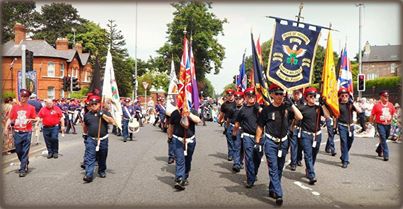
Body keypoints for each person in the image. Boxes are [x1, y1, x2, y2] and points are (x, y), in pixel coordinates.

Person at [255, 84, 303, 206]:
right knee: (273, 167)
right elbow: (260, 126)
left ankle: (272, 188)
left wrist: (291, 104)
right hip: (270, 142)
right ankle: (279, 193)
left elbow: (300, 117)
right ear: (271, 94)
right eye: (277, 93)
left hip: (283, 142)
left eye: (281, 93)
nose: (280, 96)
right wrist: (257, 141)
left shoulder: (287, 108)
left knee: (280, 168)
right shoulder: (266, 110)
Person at [298, 87, 330, 183]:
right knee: (308, 155)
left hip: (317, 135)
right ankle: (312, 175)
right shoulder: (302, 108)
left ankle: (309, 169)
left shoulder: (319, 108)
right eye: (310, 96)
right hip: (306, 135)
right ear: (306, 98)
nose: (313, 98)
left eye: (314, 96)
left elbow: (327, 116)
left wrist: (323, 105)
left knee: (313, 154)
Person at [4, 89, 38, 177]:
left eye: (25, 97)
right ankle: (25, 161)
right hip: (17, 132)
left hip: (27, 132)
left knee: (25, 151)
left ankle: (22, 169)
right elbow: (10, 118)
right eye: (22, 96)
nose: (23, 98)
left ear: (28, 98)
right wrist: (5, 128)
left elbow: (36, 118)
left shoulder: (31, 108)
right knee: (19, 150)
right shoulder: (15, 107)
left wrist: (31, 120)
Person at [233, 87, 262, 188]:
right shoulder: (242, 110)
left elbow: (265, 115)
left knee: (257, 158)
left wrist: (259, 107)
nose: (251, 97)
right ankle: (250, 179)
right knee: (249, 158)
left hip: (260, 137)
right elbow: (237, 123)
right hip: (247, 137)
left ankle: (253, 173)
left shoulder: (259, 108)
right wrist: (234, 133)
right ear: (245, 97)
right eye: (249, 96)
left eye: (253, 95)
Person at [82, 95, 115, 183]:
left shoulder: (105, 112)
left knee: (102, 156)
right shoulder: (87, 115)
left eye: (95, 104)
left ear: (99, 104)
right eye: (92, 104)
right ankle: (89, 174)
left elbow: (112, 122)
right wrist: (84, 133)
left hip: (103, 139)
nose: (93, 105)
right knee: (90, 157)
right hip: (91, 139)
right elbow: (85, 125)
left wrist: (103, 115)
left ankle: (102, 170)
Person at [167, 107, 201, 190]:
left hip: (190, 140)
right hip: (178, 139)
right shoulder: (175, 112)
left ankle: (185, 176)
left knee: (188, 159)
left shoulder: (192, 111)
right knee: (180, 159)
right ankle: (179, 179)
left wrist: (188, 113)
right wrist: (170, 137)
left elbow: (198, 120)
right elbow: (170, 126)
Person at [335, 88, 362, 168]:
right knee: (344, 142)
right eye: (342, 95)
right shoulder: (338, 105)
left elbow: (359, 111)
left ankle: (343, 155)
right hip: (341, 125)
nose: (344, 97)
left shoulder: (350, 104)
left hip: (350, 126)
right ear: (340, 96)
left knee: (350, 141)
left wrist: (353, 103)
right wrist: (334, 127)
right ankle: (345, 160)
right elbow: (335, 117)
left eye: (346, 95)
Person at [371, 90, 396, 161]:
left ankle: (379, 149)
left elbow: (393, 113)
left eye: (387, 96)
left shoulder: (391, 105)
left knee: (385, 138)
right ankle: (386, 155)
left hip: (388, 124)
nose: (387, 97)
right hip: (380, 124)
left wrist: (394, 120)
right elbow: (372, 115)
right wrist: (371, 122)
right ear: (381, 97)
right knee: (383, 137)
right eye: (385, 96)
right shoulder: (376, 105)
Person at [287, 89, 305, 171]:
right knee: (293, 145)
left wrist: (295, 108)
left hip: (302, 127)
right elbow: (289, 110)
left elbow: (303, 109)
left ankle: (299, 160)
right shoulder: (290, 101)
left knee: (300, 145)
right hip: (293, 126)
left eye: (298, 93)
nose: (296, 95)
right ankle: (293, 163)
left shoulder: (303, 101)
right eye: (295, 93)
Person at [218, 89, 236, 161]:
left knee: (236, 141)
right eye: (229, 95)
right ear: (227, 96)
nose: (230, 97)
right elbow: (221, 114)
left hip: (236, 124)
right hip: (227, 124)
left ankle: (236, 154)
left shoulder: (237, 103)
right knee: (230, 140)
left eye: (231, 95)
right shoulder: (224, 105)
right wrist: (219, 121)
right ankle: (231, 154)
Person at [230, 91, 245, 173]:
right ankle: (236, 163)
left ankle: (240, 161)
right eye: (236, 98)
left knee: (243, 147)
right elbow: (229, 119)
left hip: (245, 130)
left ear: (243, 99)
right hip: (236, 129)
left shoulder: (246, 108)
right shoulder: (232, 108)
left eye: (240, 98)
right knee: (236, 146)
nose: (238, 100)